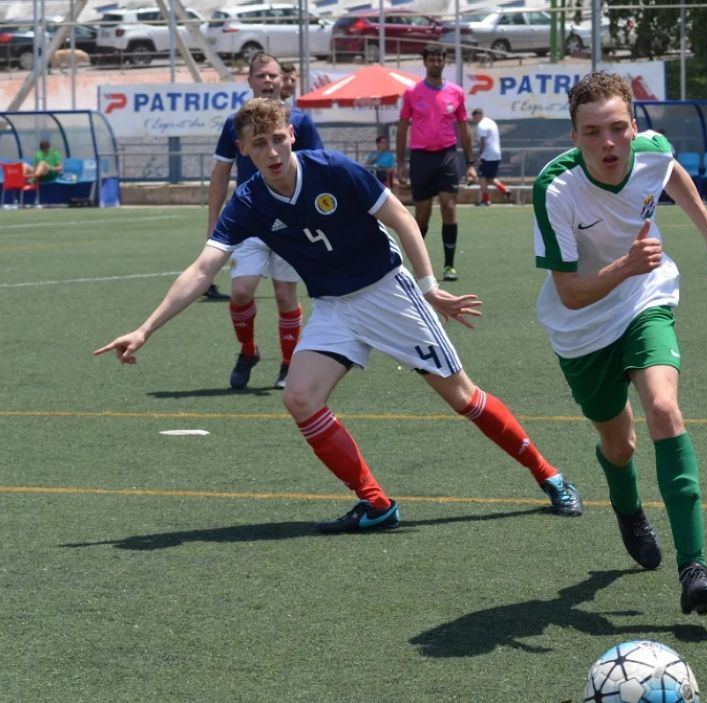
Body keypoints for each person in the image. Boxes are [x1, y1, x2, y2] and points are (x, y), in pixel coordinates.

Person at [96, 98, 585, 533]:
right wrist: (145, 328)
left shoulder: (332, 168)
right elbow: (204, 267)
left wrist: (429, 285)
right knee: (300, 397)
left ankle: (550, 476)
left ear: (292, 136)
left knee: (462, 397)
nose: (272, 151)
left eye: (278, 139)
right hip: (334, 307)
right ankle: (377, 504)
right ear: (244, 150)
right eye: (259, 144)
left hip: (388, 294)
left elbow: (400, 218)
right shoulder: (248, 201)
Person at [531, 71, 707, 615]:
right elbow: (570, 293)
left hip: (645, 295)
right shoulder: (554, 188)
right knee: (618, 445)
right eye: (593, 131)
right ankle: (628, 509)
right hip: (581, 325)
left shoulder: (651, 150)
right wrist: (623, 264)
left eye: (618, 128)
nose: (609, 143)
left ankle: (694, 567)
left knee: (664, 409)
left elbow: (671, 175)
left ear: (634, 125)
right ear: (574, 137)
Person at [208, 52, 322, 390]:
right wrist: (214, 220)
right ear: (250, 81)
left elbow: (317, 168)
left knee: (286, 295)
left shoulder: (299, 122)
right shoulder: (235, 123)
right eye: (261, 76)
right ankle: (248, 351)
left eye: (273, 75)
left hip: (291, 220)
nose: (268, 81)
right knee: (241, 291)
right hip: (250, 221)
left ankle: (289, 363)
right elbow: (220, 172)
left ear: (282, 80)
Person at [396, 47, 476, 282]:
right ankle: (418, 267)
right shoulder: (412, 93)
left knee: (449, 207)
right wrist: (400, 161)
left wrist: (470, 163)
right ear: (425, 63)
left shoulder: (456, 92)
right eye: (431, 59)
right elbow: (402, 128)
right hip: (421, 158)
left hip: (447, 156)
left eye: (439, 59)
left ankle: (449, 265)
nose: (435, 63)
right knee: (422, 215)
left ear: (444, 62)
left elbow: (464, 128)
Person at [471, 108, 509, 206]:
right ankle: (505, 189)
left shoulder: (481, 125)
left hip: (487, 155)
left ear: (478, 115)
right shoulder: (491, 122)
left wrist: (479, 155)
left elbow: (483, 143)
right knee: (490, 178)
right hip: (496, 154)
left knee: (482, 177)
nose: (474, 120)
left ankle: (485, 201)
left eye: (474, 117)